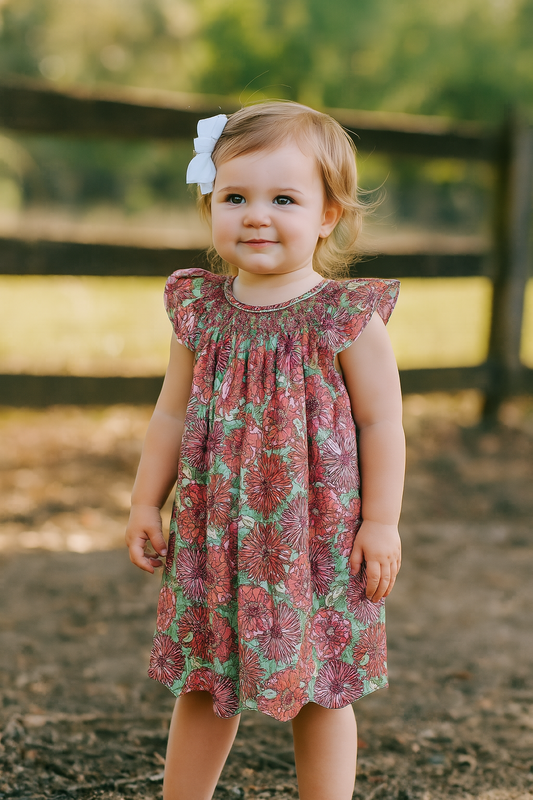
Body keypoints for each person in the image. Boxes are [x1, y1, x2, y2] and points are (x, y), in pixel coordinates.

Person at [125, 101, 405, 800]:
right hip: (215, 536)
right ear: (210, 207)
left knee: (320, 688)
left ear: (326, 215)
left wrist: (381, 522)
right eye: (235, 197)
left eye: (283, 198)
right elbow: (170, 413)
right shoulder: (199, 309)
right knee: (202, 678)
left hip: (312, 539)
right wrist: (143, 500)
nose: (256, 215)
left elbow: (382, 425)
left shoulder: (345, 318)